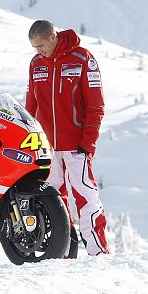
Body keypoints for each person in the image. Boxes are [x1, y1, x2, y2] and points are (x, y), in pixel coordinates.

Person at [25, 19, 108, 256]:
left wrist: (88, 143)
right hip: (46, 147)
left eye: (40, 45)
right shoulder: (36, 63)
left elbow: (96, 106)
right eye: (34, 47)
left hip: (76, 146)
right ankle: (63, 252)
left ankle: (98, 253)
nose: (38, 51)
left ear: (53, 36)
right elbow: (31, 104)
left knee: (86, 198)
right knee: (53, 201)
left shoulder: (82, 59)